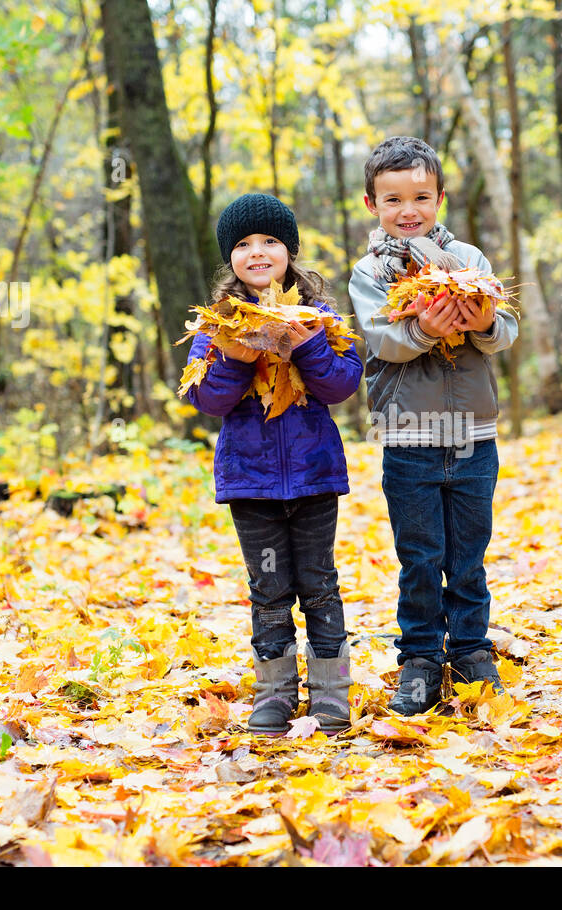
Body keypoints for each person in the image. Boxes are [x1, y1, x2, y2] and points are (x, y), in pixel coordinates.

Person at [348, 136, 519, 715]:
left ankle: (471, 651)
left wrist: (484, 321)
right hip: (408, 438)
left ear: (440, 198)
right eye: (392, 199)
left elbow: (505, 333)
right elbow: (384, 339)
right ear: (372, 204)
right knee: (420, 556)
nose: (408, 210)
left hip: (474, 434)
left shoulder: (470, 262)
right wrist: (424, 329)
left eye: (420, 196)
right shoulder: (370, 273)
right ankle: (419, 659)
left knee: (468, 554)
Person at [184, 193, 362, 735]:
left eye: (269, 241)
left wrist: (306, 345)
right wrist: (236, 360)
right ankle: (275, 692)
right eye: (242, 244)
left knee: (319, 581)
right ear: (229, 258)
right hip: (250, 482)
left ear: (289, 251)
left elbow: (342, 382)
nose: (257, 252)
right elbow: (206, 400)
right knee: (268, 587)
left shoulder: (321, 317)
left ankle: (331, 691)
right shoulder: (218, 325)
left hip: (313, 476)